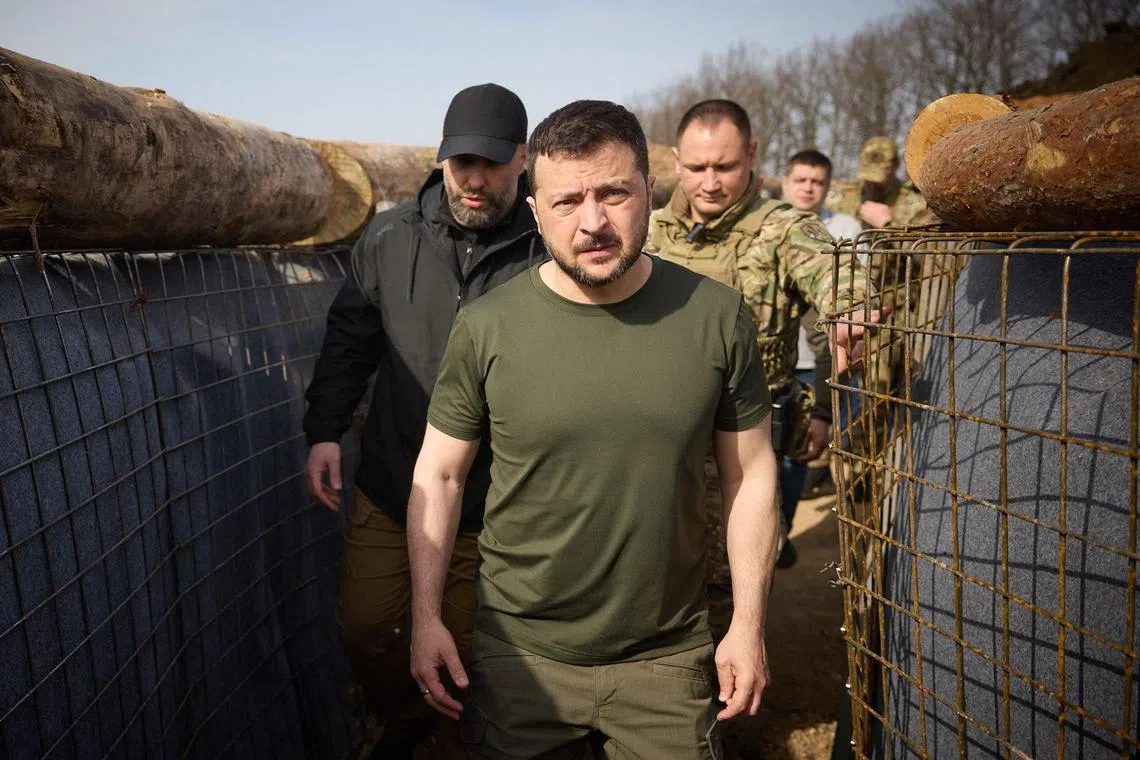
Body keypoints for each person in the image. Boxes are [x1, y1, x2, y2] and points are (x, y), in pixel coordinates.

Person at [406, 98, 796, 760]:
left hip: (666, 659)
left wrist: (748, 625)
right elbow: (439, 474)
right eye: (566, 202)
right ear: (536, 212)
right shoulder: (486, 326)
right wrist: (425, 617)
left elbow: (751, 474)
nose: (593, 222)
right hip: (518, 658)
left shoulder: (717, 318)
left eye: (614, 193)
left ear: (650, 190)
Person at [302, 83, 540, 758]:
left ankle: (456, 738)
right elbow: (351, 339)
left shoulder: (544, 250)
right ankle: (404, 716)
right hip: (393, 479)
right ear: (443, 158)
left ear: (522, 159)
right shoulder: (387, 239)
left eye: (492, 163)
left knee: (468, 653)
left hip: (491, 502)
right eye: (461, 160)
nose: (474, 178)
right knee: (364, 630)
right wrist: (324, 428)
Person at [646, 100, 876, 587]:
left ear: (751, 155)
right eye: (696, 167)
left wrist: (850, 311)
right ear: (675, 160)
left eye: (725, 166)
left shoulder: (785, 228)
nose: (710, 182)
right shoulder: (652, 232)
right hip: (659, 446)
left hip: (743, 447)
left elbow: (833, 273)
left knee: (734, 589)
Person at [779, 149, 863, 509]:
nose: (808, 189)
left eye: (817, 182)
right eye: (800, 180)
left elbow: (854, 290)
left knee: (805, 447)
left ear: (828, 187)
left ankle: (785, 522)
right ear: (785, 183)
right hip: (779, 357)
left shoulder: (845, 230)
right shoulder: (768, 226)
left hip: (823, 358)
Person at [826, 136, 930, 230]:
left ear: (896, 166)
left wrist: (887, 225)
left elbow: (921, 246)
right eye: (867, 177)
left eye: (878, 180)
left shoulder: (915, 205)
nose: (871, 185)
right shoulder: (841, 197)